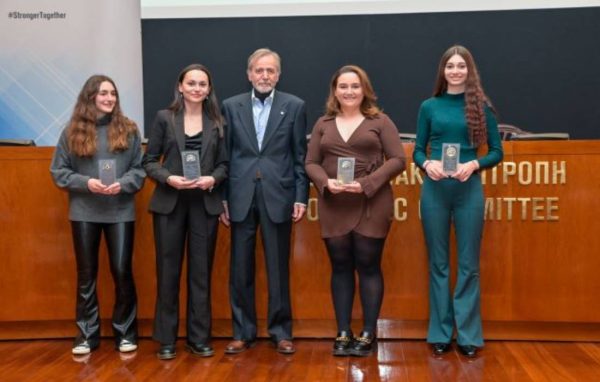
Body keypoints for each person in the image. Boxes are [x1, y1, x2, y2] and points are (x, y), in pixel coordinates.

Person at [305, 65, 406, 357]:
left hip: (371, 201)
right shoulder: (323, 123)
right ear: (334, 90)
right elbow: (310, 163)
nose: (349, 92)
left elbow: (398, 160)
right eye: (343, 86)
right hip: (334, 202)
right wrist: (326, 183)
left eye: (355, 86)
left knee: (368, 264)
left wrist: (366, 184)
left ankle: (368, 333)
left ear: (365, 90)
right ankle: (343, 331)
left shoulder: (381, 121)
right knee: (339, 266)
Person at [413, 45, 503, 358]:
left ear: (469, 71)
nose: (455, 71)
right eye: (450, 66)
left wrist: (474, 164)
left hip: (469, 191)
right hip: (435, 191)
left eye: (460, 66)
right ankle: (439, 332)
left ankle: (467, 335)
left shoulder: (481, 107)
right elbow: (417, 150)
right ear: (443, 71)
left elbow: (496, 151)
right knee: (438, 264)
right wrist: (428, 164)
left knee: (468, 266)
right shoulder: (429, 106)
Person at [220, 48, 308, 355]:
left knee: (277, 268)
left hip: (279, 195)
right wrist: (223, 199)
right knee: (240, 269)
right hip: (240, 196)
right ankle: (242, 332)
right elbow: (224, 157)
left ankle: (281, 332)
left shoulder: (294, 106)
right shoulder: (230, 106)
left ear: (279, 75)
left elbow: (300, 156)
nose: (265, 76)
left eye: (270, 71)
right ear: (249, 74)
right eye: (259, 70)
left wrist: (301, 197)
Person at [50, 75, 145, 355]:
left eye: (113, 93)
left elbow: (139, 170)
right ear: (90, 96)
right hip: (84, 212)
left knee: (121, 271)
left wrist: (123, 184)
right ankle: (86, 336)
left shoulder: (128, 129)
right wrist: (86, 183)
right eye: (103, 93)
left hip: (120, 212)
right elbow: (59, 172)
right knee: (87, 274)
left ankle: (126, 334)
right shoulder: (71, 132)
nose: (109, 98)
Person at [143, 64, 228, 360]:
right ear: (180, 86)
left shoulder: (217, 121)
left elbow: (224, 165)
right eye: (191, 83)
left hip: (203, 204)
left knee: (201, 274)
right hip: (170, 203)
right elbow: (149, 161)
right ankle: (166, 339)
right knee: (168, 273)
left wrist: (212, 179)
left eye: (202, 84)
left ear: (208, 89)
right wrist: (168, 177)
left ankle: (199, 338)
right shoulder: (165, 118)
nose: (196, 88)